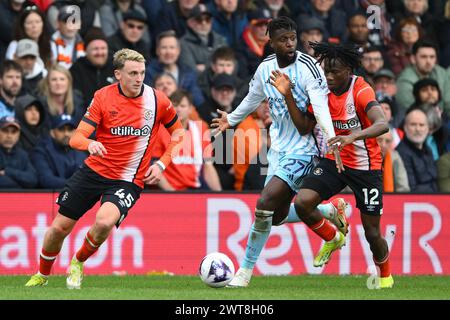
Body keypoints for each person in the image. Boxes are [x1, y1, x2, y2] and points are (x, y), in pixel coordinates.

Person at [25, 48, 184, 288]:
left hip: (128, 179)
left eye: (141, 73)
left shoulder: (157, 100)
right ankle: (42, 275)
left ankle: (77, 262)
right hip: (94, 171)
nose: (138, 79)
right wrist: (91, 144)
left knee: (103, 222)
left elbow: (179, 133)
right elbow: (75, 139)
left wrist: (162, 163)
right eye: (132, 73)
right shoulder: (103, 96)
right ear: (118, 74)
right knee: (59, 228)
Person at [211, 17, 348, 287]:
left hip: (305, 150)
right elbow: (253, 97)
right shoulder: (265, 69)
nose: (290, 44)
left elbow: (320, 107)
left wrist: (333, 140)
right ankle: (330, 212)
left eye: (293, 38)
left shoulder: (308, 67)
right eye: (283, 39)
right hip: (278, 150)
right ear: (271, 42)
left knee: (264, 203)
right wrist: (233, 119)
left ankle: (244, 273)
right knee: (277, 216)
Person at [271, 42, 393, 288]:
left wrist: (352, 136)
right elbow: (304, 126)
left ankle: (385, 277)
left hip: (365, 167)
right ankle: (332, 237)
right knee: (303, 202)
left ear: (348, 70)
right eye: (326, 71)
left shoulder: (360, 90)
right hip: (333, 162)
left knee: (372, 233)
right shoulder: (320, 91)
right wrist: (288, 97)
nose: (329, 77)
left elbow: (382, 124)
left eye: (334, 72)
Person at [152, 90, 221, 191]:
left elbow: (208, 166)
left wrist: (220, 194)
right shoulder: (159, 130)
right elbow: (155, 166)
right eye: (175, 105)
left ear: (190, 109)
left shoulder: (201, 128)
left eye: (182, 106)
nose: (178, 109)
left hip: (196, 189)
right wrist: (173, 194)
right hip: (169, 192)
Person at [31, 113, 87, 189]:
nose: (66, 133)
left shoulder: (81, 153)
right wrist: (75, 184)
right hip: (46, 198)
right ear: (52, 133)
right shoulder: (41, 152)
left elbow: (86, 180)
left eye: (70, 129)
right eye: (61, 129)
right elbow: (46, 180)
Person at [395, 40, 450, 114]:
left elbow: (448, 102)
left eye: (432, 57)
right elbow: (410, 110)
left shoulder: (441, 73)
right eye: (424, 57)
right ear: (413, 59)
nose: (428, 61)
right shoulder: (404, 81)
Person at [70, 27, 115, 107]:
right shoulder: (76, 69)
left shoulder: (116, 66)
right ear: (86, 51)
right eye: (95, 49)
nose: (99, 52)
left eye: (103, 48)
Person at [396, 107, 438, 192]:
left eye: (421, 125)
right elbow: (411, 189)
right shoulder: (401, 152)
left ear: (427, 128)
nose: (418, 129)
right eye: (413, 124)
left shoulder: (428, 150)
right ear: (405, 127)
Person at [179, 3, 227, 73]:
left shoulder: (220, 40)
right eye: (199, 20)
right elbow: (190, 70)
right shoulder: (183, 43)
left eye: (207, 19)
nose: (204, 23)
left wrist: (205, 67)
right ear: (190, 23)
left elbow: (233, 64)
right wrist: (218, 67)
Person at [0, 116, 38, 188]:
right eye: (5, 131)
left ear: (18, 135)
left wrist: (7, 172)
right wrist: (21, 183)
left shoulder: (22, 155)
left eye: (13, 132)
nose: (9, 136)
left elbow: (33, 180)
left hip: (18, 198)